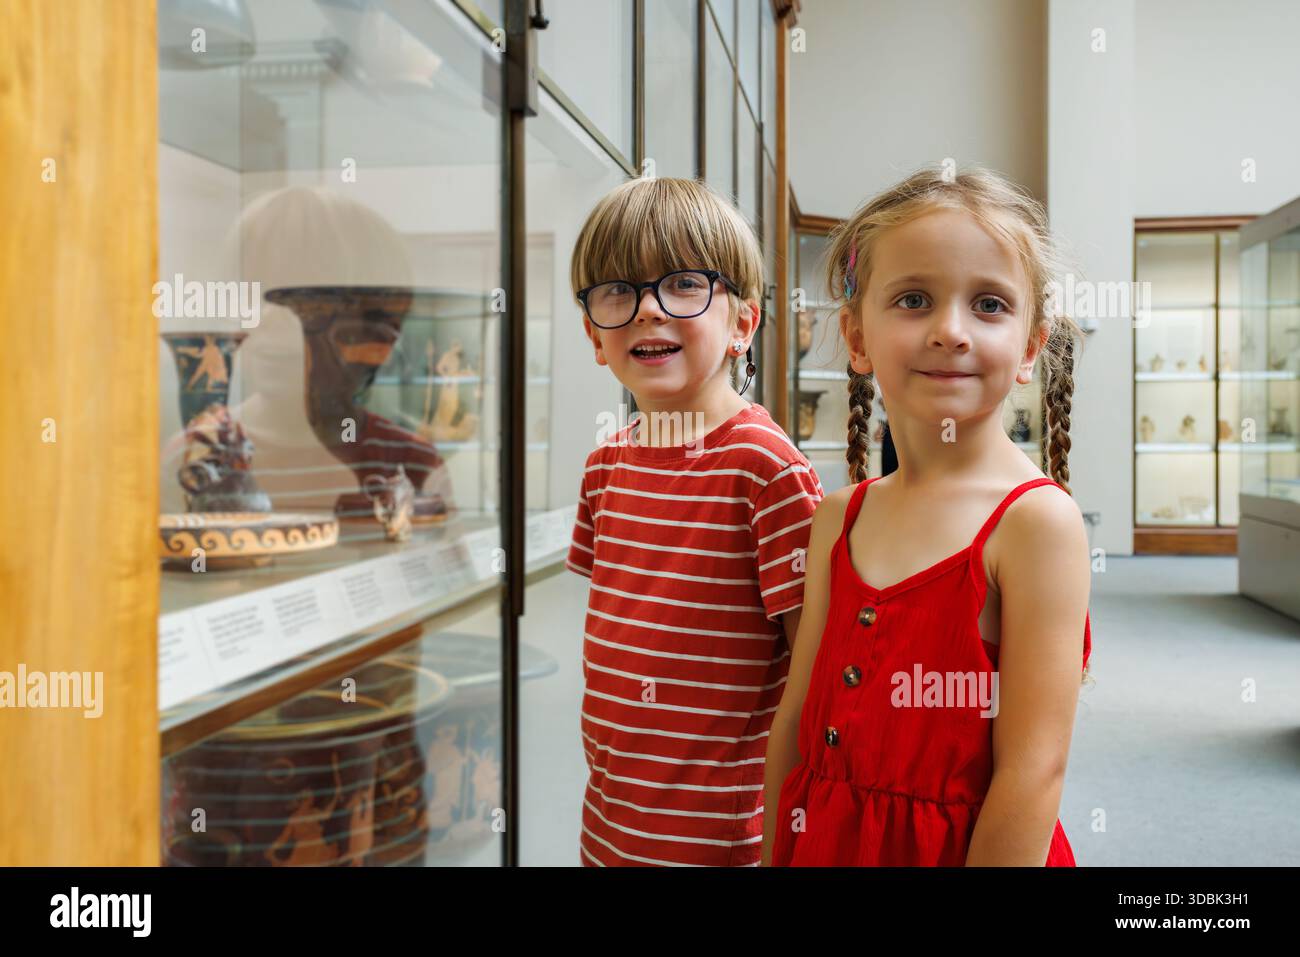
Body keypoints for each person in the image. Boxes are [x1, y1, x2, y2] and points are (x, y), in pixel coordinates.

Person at [763, 166, 1093, 866]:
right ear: (856, 338)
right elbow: (794, 720)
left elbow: (1033, 774)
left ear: (1032, 346)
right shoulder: (838, 517)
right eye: (914, 299)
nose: (951, 330)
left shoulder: (1037, 526)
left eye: (991, 305)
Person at [565, 177, 823, 866]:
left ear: (743, 322)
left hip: (724, 840)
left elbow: (815, 675)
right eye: (618, 290)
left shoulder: (767, 470)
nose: (647, 308)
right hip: (612, 823)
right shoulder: (605, 466)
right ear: (595, 333)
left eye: (682, 283)